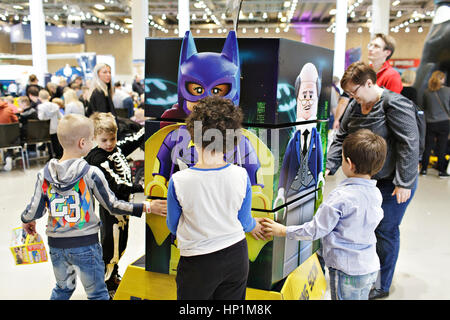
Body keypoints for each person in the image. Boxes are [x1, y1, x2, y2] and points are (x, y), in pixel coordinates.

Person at [20, 113, 158, 300]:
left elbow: (35, 209)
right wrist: (146, 207)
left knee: (62, 289)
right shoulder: (91, 173)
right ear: (83, 143)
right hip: (86, 244)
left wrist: (26, 220)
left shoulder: (43, 174)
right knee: (97, 294)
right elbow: (112, 205)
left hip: (57, 245)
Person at [326, 61, 420, 300]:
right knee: (364, 230)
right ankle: (366, 275)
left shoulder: (395, 104)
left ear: (369, 83)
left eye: (355, 91)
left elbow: (409, 143)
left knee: (386, 230)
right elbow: (341, 136)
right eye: (348, 93)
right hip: (366, 180)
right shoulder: (356, 106)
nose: (352, 97)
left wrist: (405, 182)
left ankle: (381, 284)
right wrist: (330, 165)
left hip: (393, 180)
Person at [263, 129, 387, 300]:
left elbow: (314, 230)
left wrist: (282, 230)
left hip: (346, 271)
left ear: (349, 163)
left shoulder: (341, 197)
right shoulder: (376, 193)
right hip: (370, 267)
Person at [166, 96, 266, 300]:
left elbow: (172, 225)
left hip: (197, 261)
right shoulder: (241, 176)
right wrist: (255, 226)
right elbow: (245, 221)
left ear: (192, 136)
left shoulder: (179, 181)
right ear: (231, 141)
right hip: (236, 255)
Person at [84, 112, 166, 298]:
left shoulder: (116, 149)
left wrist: (155, 121)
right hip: (111, 209)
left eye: (112, 138)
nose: (109, 144)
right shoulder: (98, 159)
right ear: (94, 138)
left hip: (124, 209)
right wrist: (140, 187)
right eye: (104, 140)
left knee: (120, 246)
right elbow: (116, 186)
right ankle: (102, 285)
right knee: (109, 247)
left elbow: (136, 139)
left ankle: (113, 276)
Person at [420, 70, 450, 177]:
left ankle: (423, 169)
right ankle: (441, 171)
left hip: (430, 123)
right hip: (444, 122)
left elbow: (423, 108)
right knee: (442, 146)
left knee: (428, 146)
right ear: (442, 79)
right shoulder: (448, 91)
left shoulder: (426, 92)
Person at [37, 89, 63, 159]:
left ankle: (51, 156)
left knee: (49, 143)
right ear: (49, 96)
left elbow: (41, 118)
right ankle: (58, 155)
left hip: (46, 129)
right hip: (55, 127)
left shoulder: (41, 107)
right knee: (56, 143)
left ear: (39, 98)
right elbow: (60, 116)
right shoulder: (55, 106)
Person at [0, 99, 19, 171]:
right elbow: (16, 121)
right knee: (11, 138)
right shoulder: (9, 109)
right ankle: (8, 156)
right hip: (8, 138)